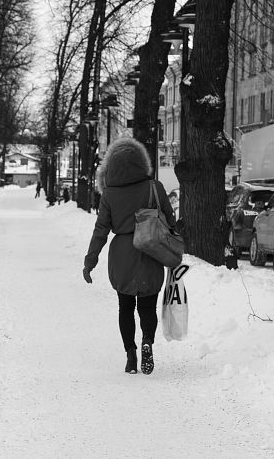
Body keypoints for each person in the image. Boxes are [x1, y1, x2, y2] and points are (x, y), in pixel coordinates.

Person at [82, 137, 175, 375]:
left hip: (122, 254)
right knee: (147, 306)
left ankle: (130, 354)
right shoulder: (154, 187)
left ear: (111, 167)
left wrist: (90, 260)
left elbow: (101, 230)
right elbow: (170, 220)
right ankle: (147, 341)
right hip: (151, 250)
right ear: (141, 162)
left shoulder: (110, 194)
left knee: (125, 307)